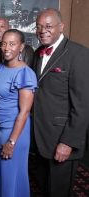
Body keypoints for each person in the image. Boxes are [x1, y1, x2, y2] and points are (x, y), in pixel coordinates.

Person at [32, 8, 89, 197]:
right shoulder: (37, 53)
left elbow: (82, 105)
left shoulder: (78, 54)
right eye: (39, 27)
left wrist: (68, 142)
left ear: (61, 27)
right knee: (43, 189)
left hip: (62, 139)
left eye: (48, 26)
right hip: (39, 138)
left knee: (59, 192)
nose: (43, 31)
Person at [0, 29, 37, 197]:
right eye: (4, 43)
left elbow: (24, 112)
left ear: (21, 47)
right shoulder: (0, 68)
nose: (6, 47)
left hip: (14, 133)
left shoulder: (25, 73)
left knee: (11, 176)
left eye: (12, 44)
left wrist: (11, 142)